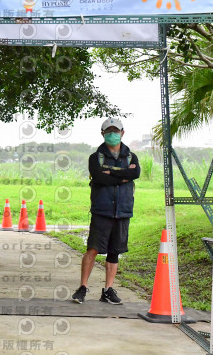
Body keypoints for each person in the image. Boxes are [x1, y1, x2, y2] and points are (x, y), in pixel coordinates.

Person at [72, 118, 140, 305]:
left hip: (123, 211)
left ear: (122, 133)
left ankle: (108, 290)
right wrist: (123, 176)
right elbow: (100, 178)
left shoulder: (131, 157)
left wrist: (112, 172)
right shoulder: (95, 157)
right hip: (102, 210)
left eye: (115, 131)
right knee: (92, 249)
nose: (112, 134)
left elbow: (135, 174)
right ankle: (82, 287)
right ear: (102, 134)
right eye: (108, 131)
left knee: (114, 252)